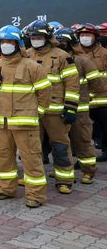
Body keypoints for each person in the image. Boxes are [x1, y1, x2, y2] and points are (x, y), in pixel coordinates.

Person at [0, 25, 52, 208]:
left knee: (31, 160)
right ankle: (6, 189)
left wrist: (37, 114)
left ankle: (36, 196)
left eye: (9, 41)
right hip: (1, 123)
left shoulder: (32, 67)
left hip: (25, 125)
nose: (6, 45)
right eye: (2, 42)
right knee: (3, 157)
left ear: (18, 44)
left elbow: (45, 94)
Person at [24, 20, 80, 194]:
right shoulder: (26, 55)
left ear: (47, 37)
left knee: (60, 146)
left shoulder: (62, 56)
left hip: (56, 111)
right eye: (33, 37)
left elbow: (72, 84)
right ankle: (33, 176)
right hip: (32, 111)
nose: (36, 40)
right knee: (32, 147)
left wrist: (70, 107)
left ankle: (64, 179)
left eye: (39, 37)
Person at [55, 27, 105, 184]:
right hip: (58, 108)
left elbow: (97, 85)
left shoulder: (82, 61)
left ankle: (88, 171)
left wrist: (84, 95)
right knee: (62, 143)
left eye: (64, 42)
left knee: (82, 141)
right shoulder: (54, 61)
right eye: (58, 42)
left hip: (79, 110)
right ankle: (64, 171)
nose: (61, 45)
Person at [72, 23, 107, 163]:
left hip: (103, 97)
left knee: (105, 126)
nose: (85, 38)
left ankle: (105, 150)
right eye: (82, 35)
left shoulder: (104, 53)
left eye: (88, 35)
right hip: (83, 99)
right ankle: (82, 158)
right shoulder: (74, 54)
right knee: (83, 131)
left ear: (95, 37)